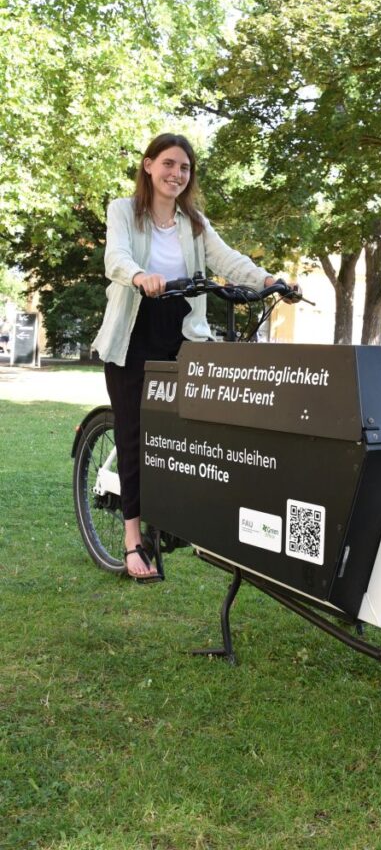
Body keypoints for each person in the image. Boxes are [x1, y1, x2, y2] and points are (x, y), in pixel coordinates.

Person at [92, 133, 290, 581]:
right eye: (168, 164)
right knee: (135, 434)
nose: (176, 174)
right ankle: (132, 540)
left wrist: (269, 279)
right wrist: (140, 275)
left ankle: (178, 516)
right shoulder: (124, 211)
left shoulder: (193, 221)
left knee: (191, 426)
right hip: (135, 334)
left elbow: (227, 258)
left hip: (182, 332)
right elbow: (115, 257)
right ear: (148, 166)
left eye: (184, 168)